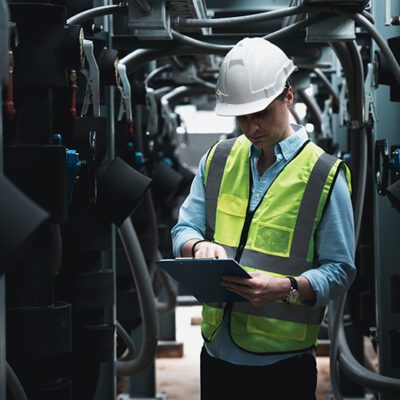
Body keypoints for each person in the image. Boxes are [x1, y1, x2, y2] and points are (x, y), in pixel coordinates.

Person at [171, 37, 356, 400]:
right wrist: (198, 245)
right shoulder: (219, 158)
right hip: (216, 353)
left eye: (261, 112)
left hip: (282, 366)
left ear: (288, 96)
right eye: (242, 115)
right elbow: (184, 227)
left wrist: (285, 288)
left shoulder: (324, 175)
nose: (251, 126)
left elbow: (340, 270)